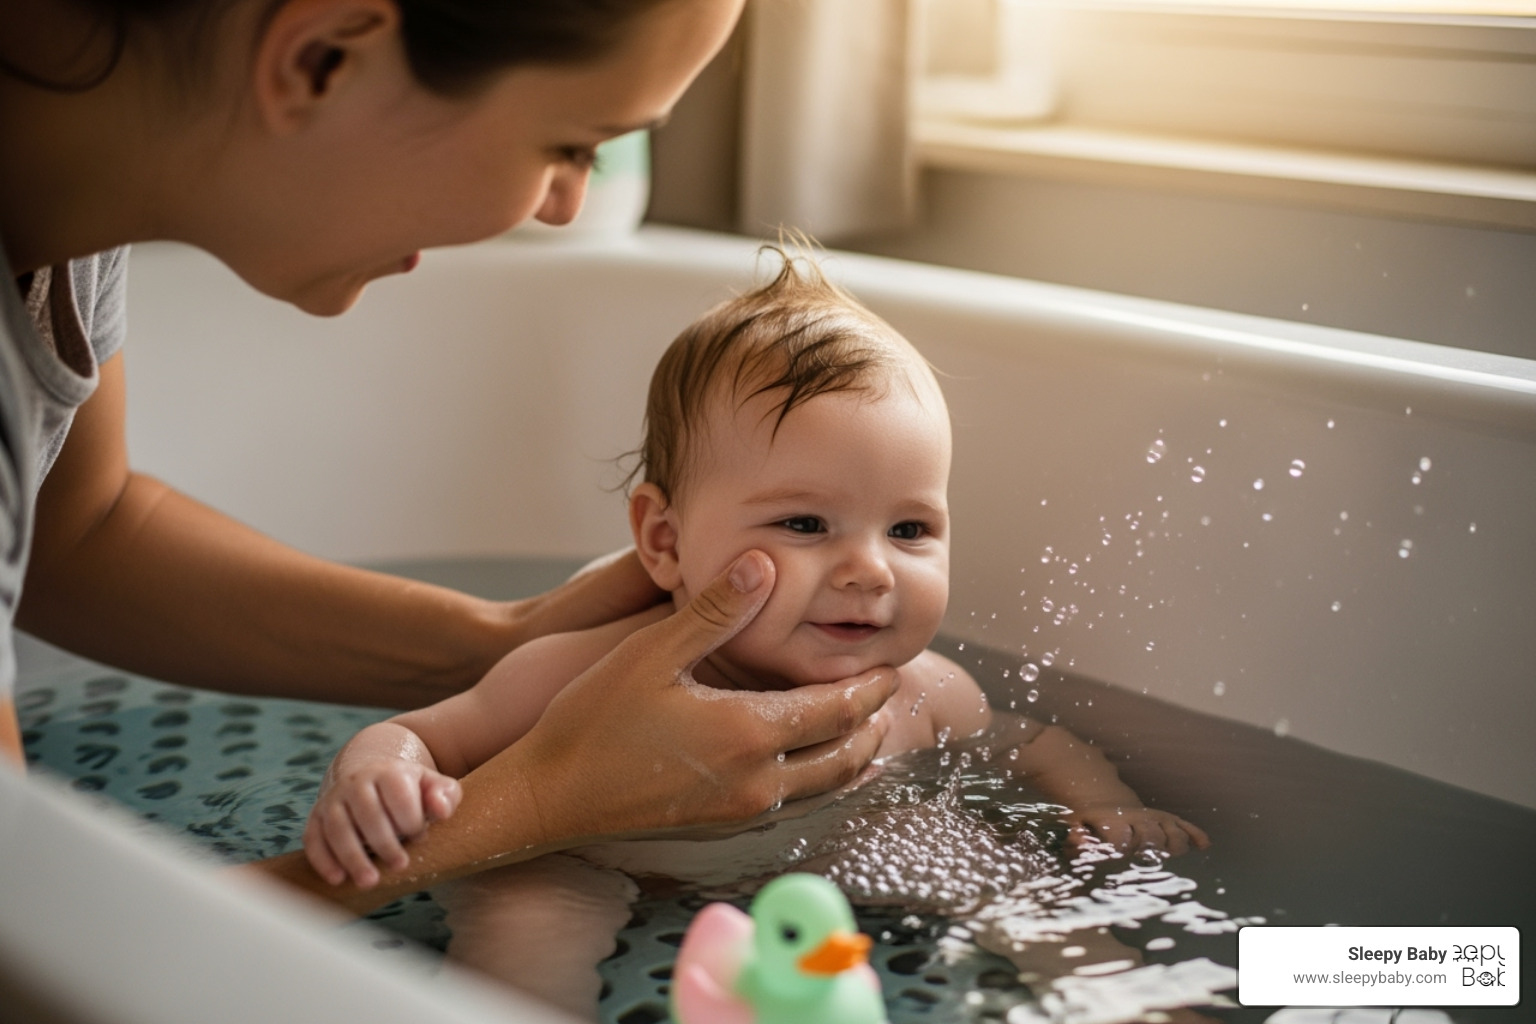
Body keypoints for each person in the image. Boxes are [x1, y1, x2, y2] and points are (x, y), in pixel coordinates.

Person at [0, 0, 900, 893]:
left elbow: (70, 531)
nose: (562, 209)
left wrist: (506, 645)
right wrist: (541, 804)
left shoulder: (66, 222)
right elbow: (23, 951)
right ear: (320, 60)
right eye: (571, 146)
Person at [302, 248, 1211, 1017]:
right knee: (526, 916)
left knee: (992, 865)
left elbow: (1031, 743)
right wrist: (378, 772)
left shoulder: (922, 691)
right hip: (578, 852)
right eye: (806, 526)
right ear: (665, 541)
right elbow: (427, 733)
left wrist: (1100, 801)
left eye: (909, 529)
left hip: (828, 844)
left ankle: (1137, 1003)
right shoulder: (583, 671)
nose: (871, 570)